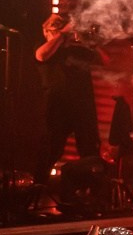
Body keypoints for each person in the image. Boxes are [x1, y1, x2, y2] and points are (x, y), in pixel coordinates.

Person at [35, 12, 101, 173]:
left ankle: (87, 190)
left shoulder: (77, 50)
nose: (58, 33)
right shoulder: (46, 50)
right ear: (47, 32)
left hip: (82, 107)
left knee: (89, 150)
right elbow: (41, 55)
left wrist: (90, 43)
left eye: (60, 30)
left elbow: (104, 60)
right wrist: (63, 34)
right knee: (52, 148)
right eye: (54, 30)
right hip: (58, 107)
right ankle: (37, 188)